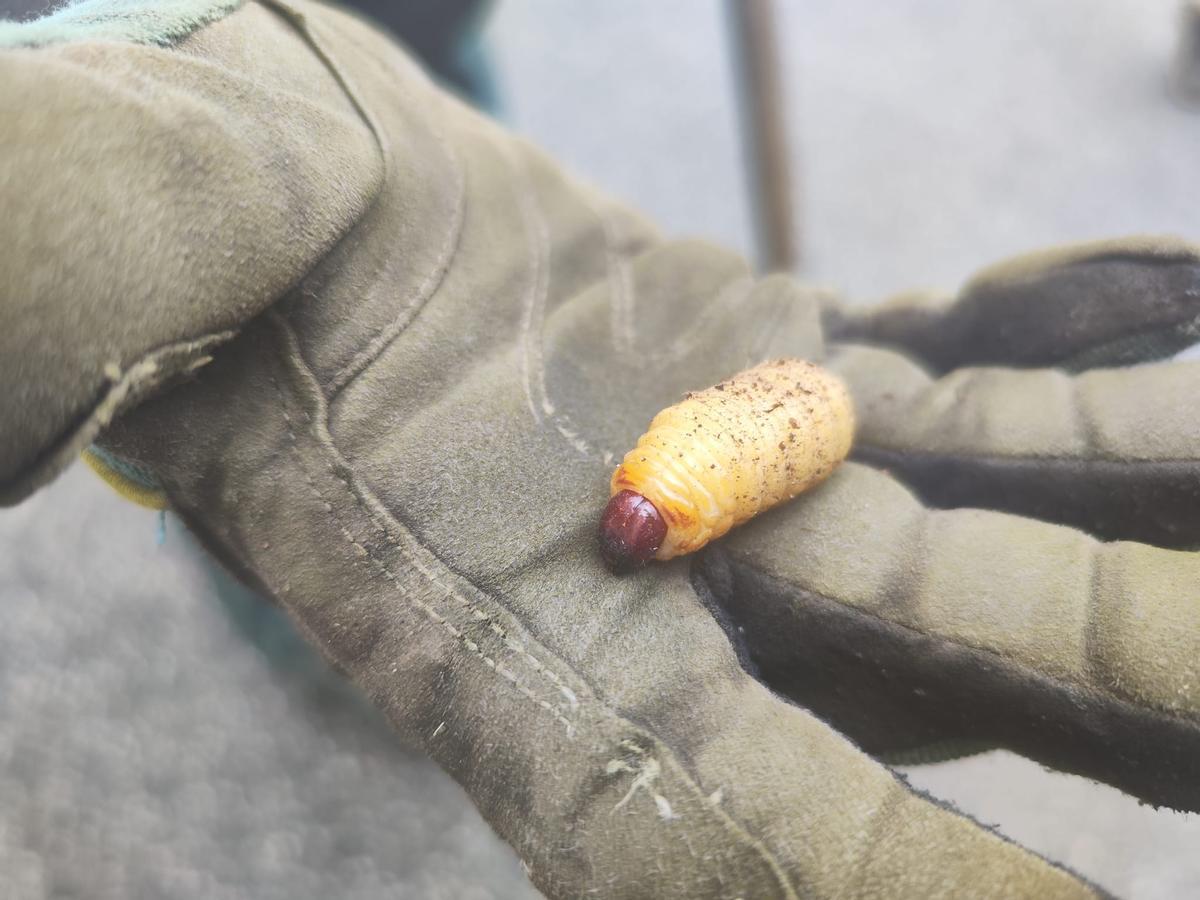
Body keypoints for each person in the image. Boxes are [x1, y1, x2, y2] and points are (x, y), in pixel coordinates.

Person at [3, 2, 1198, 897]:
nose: (619, 531)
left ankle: (320, 640)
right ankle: (313, 636)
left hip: (387, 59)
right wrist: (127, 33)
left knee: (438, 80)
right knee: (293, 454)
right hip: (277, 87)